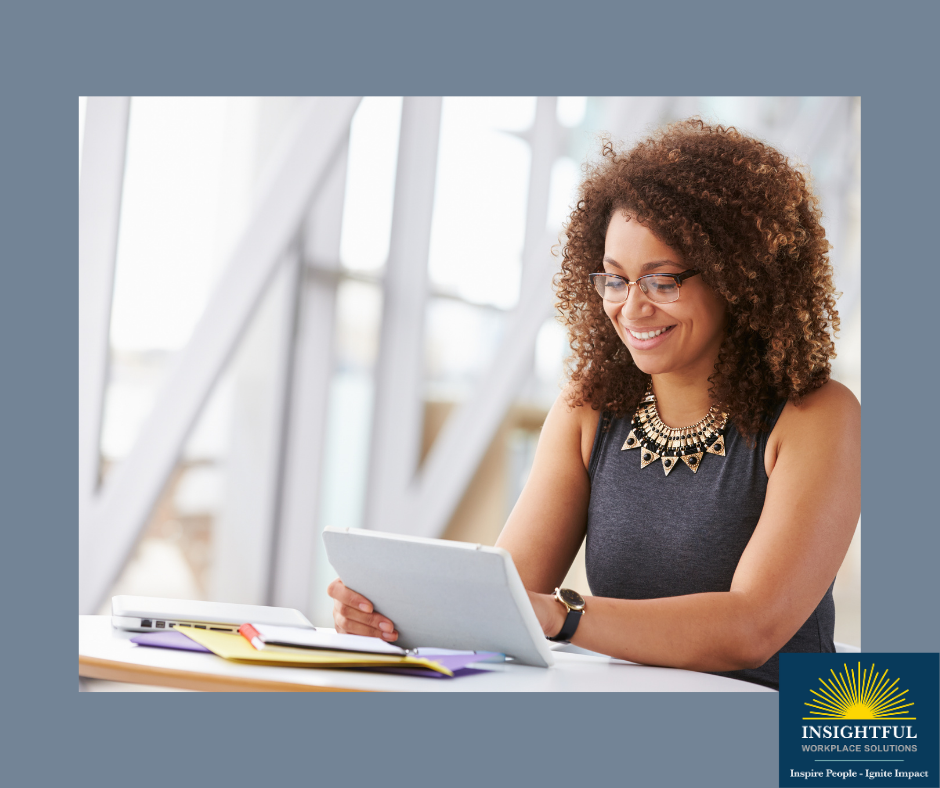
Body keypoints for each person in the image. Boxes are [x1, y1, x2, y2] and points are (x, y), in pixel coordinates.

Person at [327, 118, 861, 689]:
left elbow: (751, 628)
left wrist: (565, 614)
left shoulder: (819, 416)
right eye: (615, 278)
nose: (631, 308)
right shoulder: (590, 408)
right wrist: (390, 619)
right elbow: (505, 598)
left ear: (739, 278)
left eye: (661, 280)